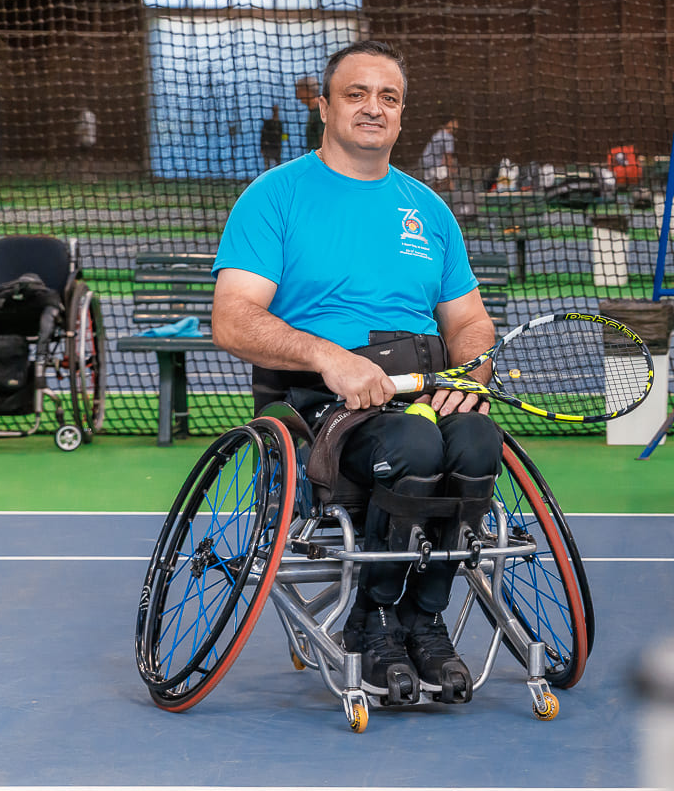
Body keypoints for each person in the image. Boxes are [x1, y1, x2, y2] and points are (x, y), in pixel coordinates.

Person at [212, 41, 499, 706]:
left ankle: (423, 622)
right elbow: (232, 319)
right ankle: (372, 624)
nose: (374, 107)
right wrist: (328, 357)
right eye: (357, 94)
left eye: (388, 97)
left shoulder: (428, 208)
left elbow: (469, 321)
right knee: (414, 444)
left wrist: (473, 371)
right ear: (324, 106)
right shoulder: (275, 196)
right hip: (322, 402)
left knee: (477, 439)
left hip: (419, 390)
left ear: (401, 115)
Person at [420, 116, 458, 185]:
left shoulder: (439, 133)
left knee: (434, 184)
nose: (457, 126)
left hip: (425, 162)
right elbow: (448, 157)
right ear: (448, 123)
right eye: (455, 123)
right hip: (433, 164)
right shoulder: (448, 137)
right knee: (447, 181)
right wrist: (449, 172)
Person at [294, 75, 324, 157]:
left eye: (299, 89)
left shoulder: (319, 111)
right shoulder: (314, 110)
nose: (297, 94)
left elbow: (324, 141)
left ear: (306, 90)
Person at [258, 104, 284, 175]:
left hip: (276, 148)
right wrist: (262, 147)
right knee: (267, 167)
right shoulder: (268, 123)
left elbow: (282, 135)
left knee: (277, 166)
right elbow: (263, 136)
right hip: (268, 148)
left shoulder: (279, 123)